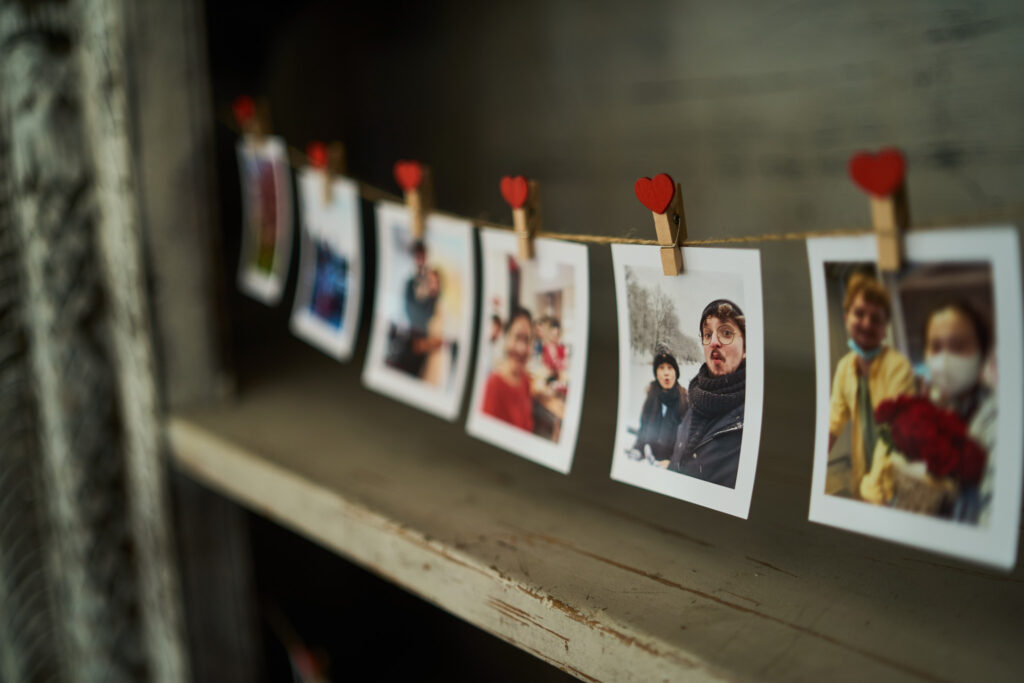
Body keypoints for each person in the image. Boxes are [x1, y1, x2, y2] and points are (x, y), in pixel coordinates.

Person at [827, 273, 913, 501]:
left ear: (884, 328)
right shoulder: (845, 367)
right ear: (846, 318)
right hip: (862, 480)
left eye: (875, 319)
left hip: (893, 487)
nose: (866, 323)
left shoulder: (899, 368)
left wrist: (873, 489)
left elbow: (893, 435)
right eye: (859, 313)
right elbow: (833, 421)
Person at [666, 300, 747, 488]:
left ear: (745, 348)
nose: (714, 342)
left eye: (726, 333)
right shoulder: (695, 399)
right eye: (708, 334)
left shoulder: (752, 416)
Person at [629, 347, 688, 463]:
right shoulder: (651, 398)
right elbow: (643, 430)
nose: (666, 373)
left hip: (670, 465)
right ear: (656, 373)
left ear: (676, 373)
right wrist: (638, 449)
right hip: (649, 460)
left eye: (670, 368)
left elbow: (686, 444)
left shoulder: (685, 401)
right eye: (661, 368)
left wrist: (672, 463)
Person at [481, 307, 536, 432]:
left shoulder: (526, 381)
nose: (522, 348)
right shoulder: (494, 385)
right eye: (517, 337)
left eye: (527, 340)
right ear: (506, 339)